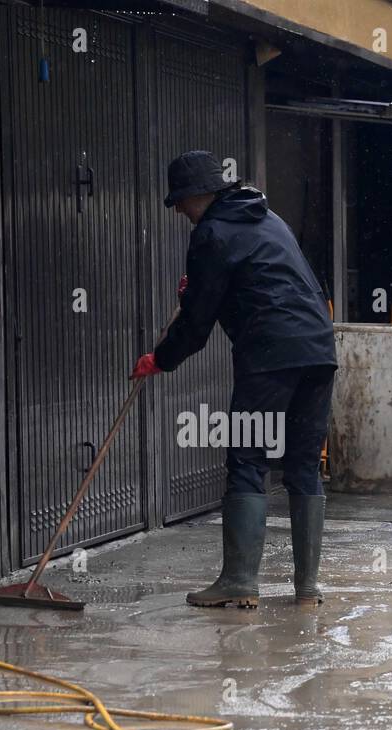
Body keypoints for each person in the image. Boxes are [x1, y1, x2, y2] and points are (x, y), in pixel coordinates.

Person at [131, 150, 337, 607]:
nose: (180, 212)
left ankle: (240, 582)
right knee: (303, 463)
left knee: (248, 459)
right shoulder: (269, 219)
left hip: (269, 354)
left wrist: (161, 359)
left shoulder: (212, 233)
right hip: (320, 350)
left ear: (199, 195)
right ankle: (306, 590)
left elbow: (198, 321)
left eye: (180, 202)